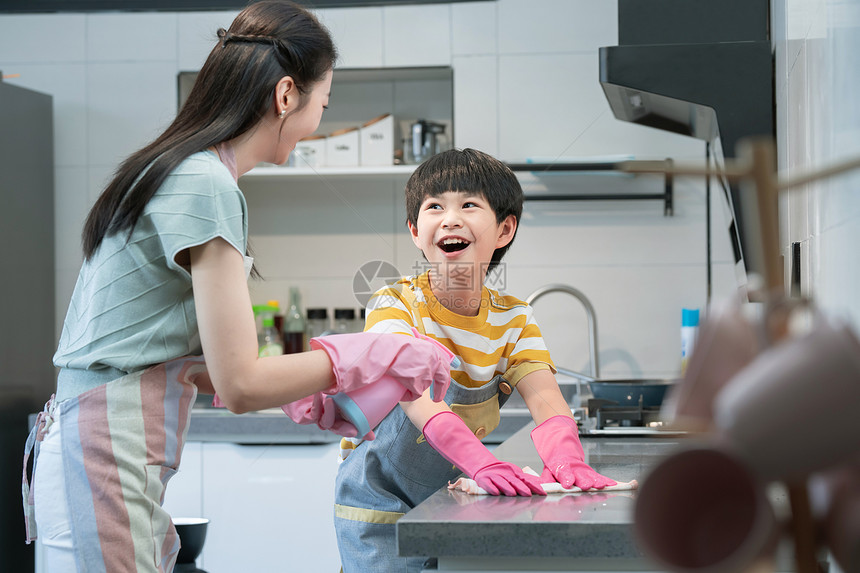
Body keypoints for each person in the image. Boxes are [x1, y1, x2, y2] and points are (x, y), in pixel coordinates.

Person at [20, 2, 452, 571]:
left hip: (99, 447)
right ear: (286, 95)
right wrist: (372, 352)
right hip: (104, 455)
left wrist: (301, 386)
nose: (319, 118)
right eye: (324, 103)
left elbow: (180, 356)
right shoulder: (206, 184)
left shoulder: (184, 169)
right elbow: (241, 383)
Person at [333, 148, 618, 572]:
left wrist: (567, 458)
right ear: (415, 231)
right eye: (434, 207)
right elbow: (417, 397)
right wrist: (481, 459)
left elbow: (544, 395)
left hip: (452, 496)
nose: (450, 218)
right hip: (380, 504)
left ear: (504, 229)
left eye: (468, 204)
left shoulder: (515, 317)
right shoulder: (394, 304)